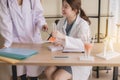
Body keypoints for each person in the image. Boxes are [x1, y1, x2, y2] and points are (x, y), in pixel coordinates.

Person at [0, 0, 48, 80]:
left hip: (32, 41)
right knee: (21, 72)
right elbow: (5, 23)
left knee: (33, 73)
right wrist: (7, 44)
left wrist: (42, 24)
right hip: (16, 42)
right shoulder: (5, 1)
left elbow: (38, 15)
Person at [44, 0, 92, 80]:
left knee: (57, 77)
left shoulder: (83, 25)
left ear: (74, 10)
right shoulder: (61, 21)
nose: (62, 9)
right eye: (62, 6)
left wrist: (63, 37)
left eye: (66, 7)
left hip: (76, 61)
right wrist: (54, 40)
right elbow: (56, 39)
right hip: (63, 57)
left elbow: (82, 45)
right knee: (48, 71)